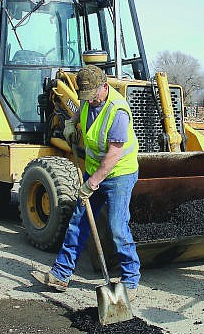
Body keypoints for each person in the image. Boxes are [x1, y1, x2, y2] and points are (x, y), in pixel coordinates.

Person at [32, 65, 141, 298]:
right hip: (94, 173)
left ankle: (130, 281)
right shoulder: (88, 99)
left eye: (92, 96)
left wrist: (91, 184)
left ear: (104, 86)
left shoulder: (117, 111)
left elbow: (114, 154)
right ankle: (60, 275)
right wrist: (72, 122)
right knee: (78, 223)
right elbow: (81, 108)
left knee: (117, 228)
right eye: (85, 97)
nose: (89, 101)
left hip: (119, 174)